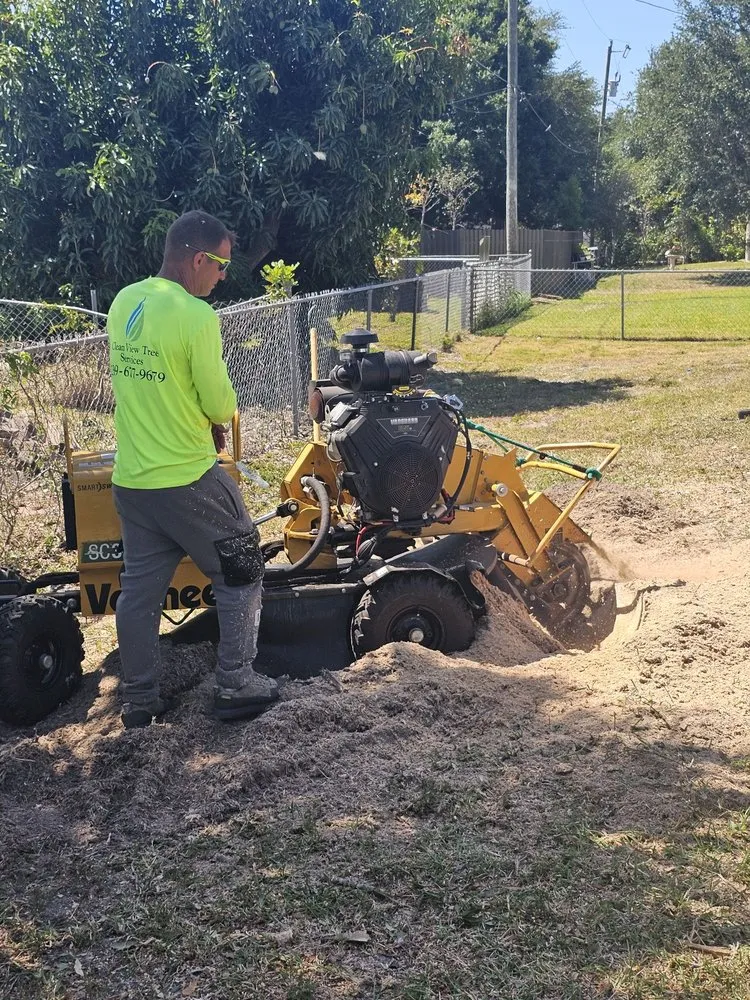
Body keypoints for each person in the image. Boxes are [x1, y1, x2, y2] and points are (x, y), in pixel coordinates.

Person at [106, 210, 278, 728]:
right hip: (186, 481)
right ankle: (236, 681)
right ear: (199, 259)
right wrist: (212, 419)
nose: (223, 277)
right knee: (243, 571)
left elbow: (156, 386)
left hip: (133, 481)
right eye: (222, 266)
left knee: (138, 594)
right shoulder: (197, 317)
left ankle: (139, 701)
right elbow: (221, 403)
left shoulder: (124, 301)